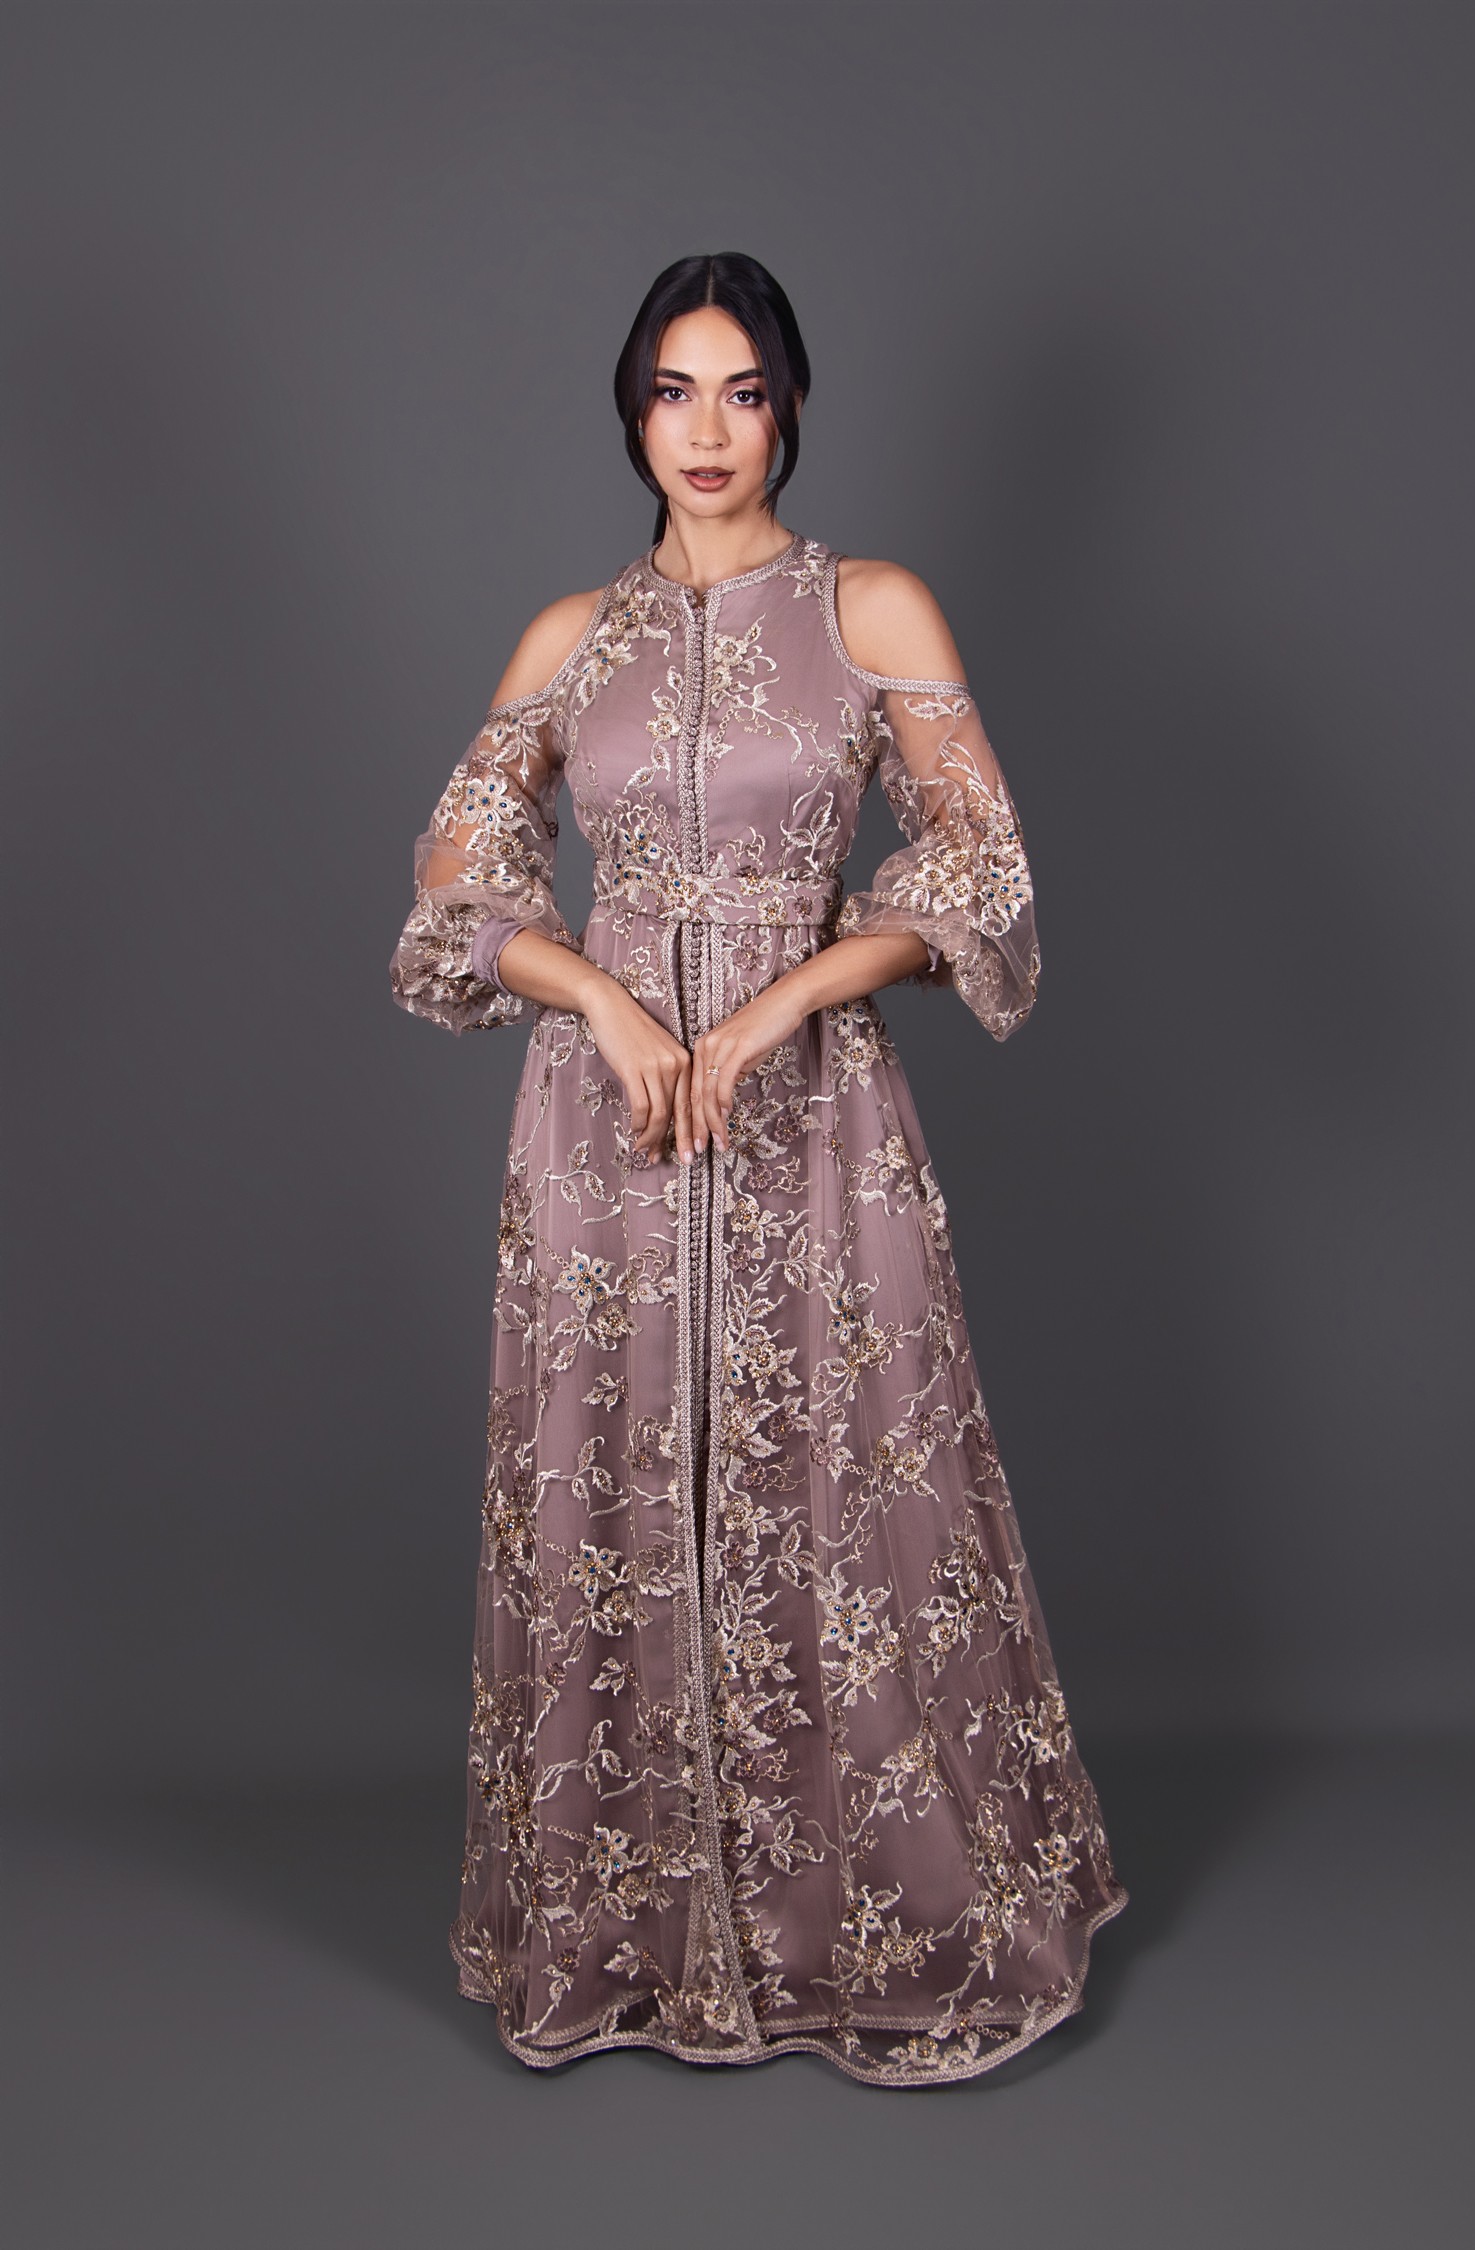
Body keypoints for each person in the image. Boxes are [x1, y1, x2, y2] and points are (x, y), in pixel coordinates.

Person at [390, 252, 1127, 2085]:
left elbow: (980, 867)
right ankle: (637, 1925)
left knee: (844, 1482)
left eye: (741, 390)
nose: (706, 430)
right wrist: (599, 996)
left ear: (789, 404)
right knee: (616, 1480)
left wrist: (788, 992)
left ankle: (850, 1922)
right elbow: (453, 892)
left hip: (815, 1120)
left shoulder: (871, 608)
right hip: (605, 1130)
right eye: (672, 390)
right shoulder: (571, 638)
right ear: (630, 409)